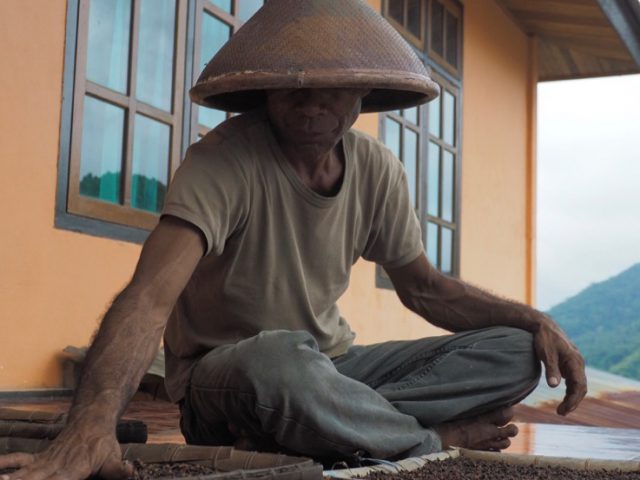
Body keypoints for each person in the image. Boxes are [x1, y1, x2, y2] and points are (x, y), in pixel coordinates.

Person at [0, 0, 586, 478]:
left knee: (515, 351)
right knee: (280, 362)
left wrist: (535, 321)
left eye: (332, 88)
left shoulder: (377, 168)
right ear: (264, 91)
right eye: (293, 87)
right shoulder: (224, 160)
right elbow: (150, 296)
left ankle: (324, 428)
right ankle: (425, 439)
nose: (311, 105)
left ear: (363, 92)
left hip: (329, 370)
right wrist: (89, 429)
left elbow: (425, 289)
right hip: (231, 376)